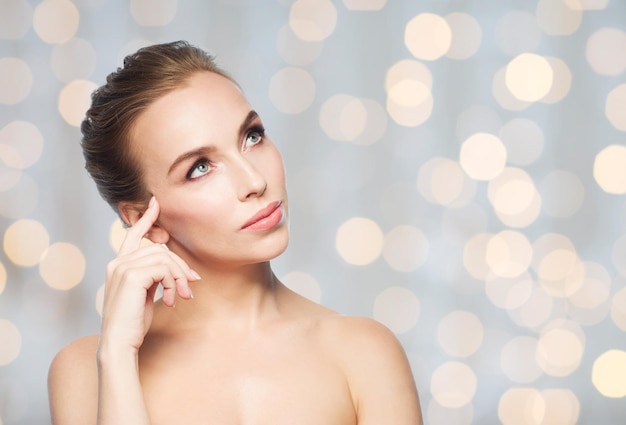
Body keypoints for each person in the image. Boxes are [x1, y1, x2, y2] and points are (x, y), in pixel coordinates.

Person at [47, 40, 423, 425]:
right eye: (200, 167)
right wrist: (118, 356)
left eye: (252, 136)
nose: (255, 180)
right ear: (147, 218)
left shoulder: (363, 352)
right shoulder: (85, 372)